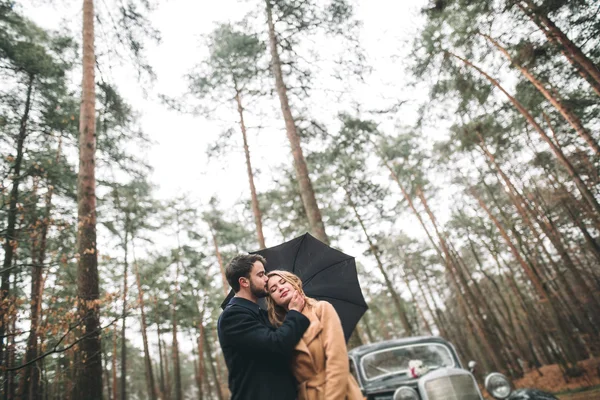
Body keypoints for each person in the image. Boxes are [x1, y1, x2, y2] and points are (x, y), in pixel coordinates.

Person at [217, 254, 310, 400]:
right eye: (261, 275)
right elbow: (277, 344)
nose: (266, 278)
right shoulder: (233, 317)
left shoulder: (261, 313)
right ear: (244, 282)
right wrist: (294, 312)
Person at [266, 270, 363, 400]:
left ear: (294, 283)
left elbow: (337, 360)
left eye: (283, 282)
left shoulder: (321, 309)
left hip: (339, 392)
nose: (280, 288)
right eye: (273, 289)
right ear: (272, 300)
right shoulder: (282, 331)